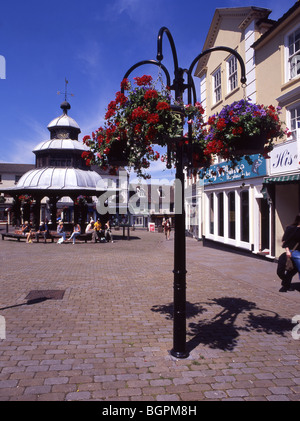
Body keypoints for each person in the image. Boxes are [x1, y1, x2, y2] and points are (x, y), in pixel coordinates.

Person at [280, 214, 300, 291]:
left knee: (292, 270)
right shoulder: (291, 228)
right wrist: (287, 251)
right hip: (295, 251)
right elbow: (284, 241)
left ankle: (286, 283)